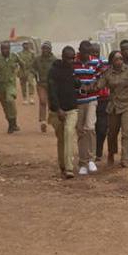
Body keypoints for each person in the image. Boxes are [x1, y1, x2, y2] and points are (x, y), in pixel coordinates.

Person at [90, 50, 128, 166]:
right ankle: (111, 153)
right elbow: (99, 86)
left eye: (120, 59)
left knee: (126, 132)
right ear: (111, 62)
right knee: (112, 133)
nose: (119, 61)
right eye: (116, 59)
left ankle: (125, 159)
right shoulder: (108, 73)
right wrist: (90, 87)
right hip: (114, 105)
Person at [48, 46, 79, 179]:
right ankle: (62, 165)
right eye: (68, 58)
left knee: (69, 133)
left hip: (72, 109)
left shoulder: (73, 70)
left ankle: (69, 167)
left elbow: (75, 84)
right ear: (62, 56)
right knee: (61, 138)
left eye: (73, 58)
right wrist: (58, 109)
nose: (71, 61)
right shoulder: (54, 71)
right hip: (57, 111)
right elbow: (52, 91)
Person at [73, 40, 100, 175]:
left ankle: (91, 159)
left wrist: (91, 87)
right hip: (78, 101)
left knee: (90, 128)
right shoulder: (73, 62)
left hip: (91, 99)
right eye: (84, 53)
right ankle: (82, 162)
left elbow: (100, 78)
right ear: (80, 51)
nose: (86, 56)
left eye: (88, 53)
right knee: (80, 130)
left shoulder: (95, 62)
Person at [0, 41, 24, 133]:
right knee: (5, 106)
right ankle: (11, 124)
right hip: (0, 85)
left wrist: (20, 73)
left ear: (9, 48)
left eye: (6, 48)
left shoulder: (14, 57)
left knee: (10, 101)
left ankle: (13, 123)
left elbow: (22, 64)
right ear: (0, 49)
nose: (5, 50)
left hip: (10, 84)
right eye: (3, 48)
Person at [91, 43, 110, 162]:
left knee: (102, 128)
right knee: (90, 127)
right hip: (90, 99)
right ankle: (92, 151)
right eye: (93, 53)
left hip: (104, 100)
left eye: (97, 52)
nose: (95, 55)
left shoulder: (106, 64)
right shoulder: (86, 65)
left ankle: (98, 151)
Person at [33, 41, 57, 133]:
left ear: (50, 49)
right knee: (43, 101)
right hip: (41, 84)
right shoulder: (37, 59)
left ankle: (52, 121)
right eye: (43, 48)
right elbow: (32, 68)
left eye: (47, 48)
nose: (45, 50)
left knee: (52, 104)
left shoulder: (54, 60)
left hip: (52, 85)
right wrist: (34, 74)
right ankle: (42, 121)